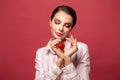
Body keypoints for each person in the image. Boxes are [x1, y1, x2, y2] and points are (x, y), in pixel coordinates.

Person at [35, 5, 90, 80]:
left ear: (71, 28)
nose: (61, 28)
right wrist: (59, 61)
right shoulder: (41, 53)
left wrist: (67, 60)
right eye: (57, 22)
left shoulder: (82, 49)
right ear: (50, 22)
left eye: (67, 25)